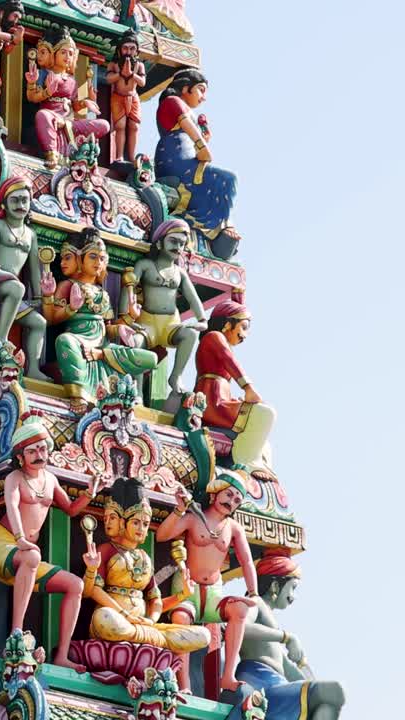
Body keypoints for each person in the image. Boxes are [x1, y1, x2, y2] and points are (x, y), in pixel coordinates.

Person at [0, 417, 105, 671]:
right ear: (21, 457)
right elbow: (12, 508)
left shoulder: (50, 480)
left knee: (75, 584)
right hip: (3, 547)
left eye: (42, 449)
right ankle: (16, 635)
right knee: (32, 557)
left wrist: (90, 493)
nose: (39, 455)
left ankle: (62, 655)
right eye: (32, 451)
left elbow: (71, 510)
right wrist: (21, 540)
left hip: (26, 556)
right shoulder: (15, 479)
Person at [155, 470, 258, 693]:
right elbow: (162, 535)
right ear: (214, 494)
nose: (231, 502)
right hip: (186, 588)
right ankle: (184, 685)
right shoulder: (194, 517)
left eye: (237, 500)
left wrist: (253, 593)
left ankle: (228, 676)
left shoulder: (233, 528)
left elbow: (247, 562)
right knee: (181, 618)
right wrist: (179, 510)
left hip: (213, 593)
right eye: (228, 495)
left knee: (239, 610)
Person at [81, 478, 209, 653]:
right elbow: (91, 591)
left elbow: (155, 601)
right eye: (136, 522)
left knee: (203, 635)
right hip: (115, 620)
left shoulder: (144, 558)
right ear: (122, 522)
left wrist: (177, 599)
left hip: (143, 624)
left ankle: (145, 638)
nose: (142, 528)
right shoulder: (107, 550)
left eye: (146, 524)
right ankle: (149, 640)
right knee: (105, 618)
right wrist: (91, 570)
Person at [41, 229, 158, 412]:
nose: (98, 263)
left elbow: (108, 328)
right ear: (81, 259)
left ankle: (102, 357)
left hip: (103, 347)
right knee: (64, 341)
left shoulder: (102, 293)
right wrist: (65, 305)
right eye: (93, 257)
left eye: (102, 259)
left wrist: (128, 319)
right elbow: (51, 318)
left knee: (151, 358)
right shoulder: (68, 285)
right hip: (79, 342)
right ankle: (79, 394)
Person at [236, 551, 347, 720]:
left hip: (276, 685)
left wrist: (302, 662)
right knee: (333, 692)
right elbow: (240, 626)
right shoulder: (255, 603)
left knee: (327, 698)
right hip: (259, 688)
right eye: (292, 588)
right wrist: (286, 637)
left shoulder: (271, 625)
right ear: (275, 586)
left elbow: (292, 672)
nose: (293, 597)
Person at [0, 177, 51, 380]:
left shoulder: (30, 235)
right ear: (4, 204)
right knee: (17, 289)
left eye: (25, 200)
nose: (20, 205)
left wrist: (41, 296)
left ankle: (33, 369)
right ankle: (0, 342)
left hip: (10, 293)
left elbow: (34, 268)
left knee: (39, 322)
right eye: (15, 200)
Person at [153, 69, 239, 249]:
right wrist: (202, 146)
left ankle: (215, 225)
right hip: (175, 158)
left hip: (186, 158)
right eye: (200, 90)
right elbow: (187, 127)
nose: (203, 97)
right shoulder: (173, 101)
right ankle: (213, 227)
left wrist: (203, 138)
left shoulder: (185, 109)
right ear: (185, 88)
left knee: (219, 180)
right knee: (228, 179)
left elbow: (192, 132)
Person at [195, 299, 277, 480]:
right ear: (227, 323)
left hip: (220, 399)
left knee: (264, 440)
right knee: (265, 413)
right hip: (213, 403)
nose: (245, 335)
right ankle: (247, 462)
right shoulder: (214, 337)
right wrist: (248, 388)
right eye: (244, 327)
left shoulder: (216, 341)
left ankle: (253, 459)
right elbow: (229, 361)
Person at [131, 218, 206, 395]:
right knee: (135, 342)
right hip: (147, 322)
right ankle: (137, 391)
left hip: (170, 324)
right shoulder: (145, 266)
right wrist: (125, 317)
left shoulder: (180, 273)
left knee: (191, 334)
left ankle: (176, 376)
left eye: (181, 244)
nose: (177, 247)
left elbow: (193, 298)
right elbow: (129, 288)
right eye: (173, 241)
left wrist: (202, 320)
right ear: (159, 243)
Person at [26, 28, 109, 168]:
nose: (67, 57)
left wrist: (85, 103)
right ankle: (52, 153)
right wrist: (46, 91)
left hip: (68, 120)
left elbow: (75, 105)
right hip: (51, 116)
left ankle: (67, 127)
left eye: (71, 54)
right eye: (63, 52)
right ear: (54, 54)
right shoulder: (44, 74)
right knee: (42, 115)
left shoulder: (72, 81)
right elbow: (32, 97)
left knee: (105, 125)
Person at [105, 31, 145, 164]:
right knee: (120, 125)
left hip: (133, 97)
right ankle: (119, 155)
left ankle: (132, 157)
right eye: (125, 48)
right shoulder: (114, 65)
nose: (128, 52)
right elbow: (109, 79)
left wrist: (132, 74)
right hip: (119, 97)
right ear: (120, 50)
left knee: (134, 126)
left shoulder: (139, 65)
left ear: (137, 51)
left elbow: (142, 82)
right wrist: (121, 74)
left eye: (132, 48)